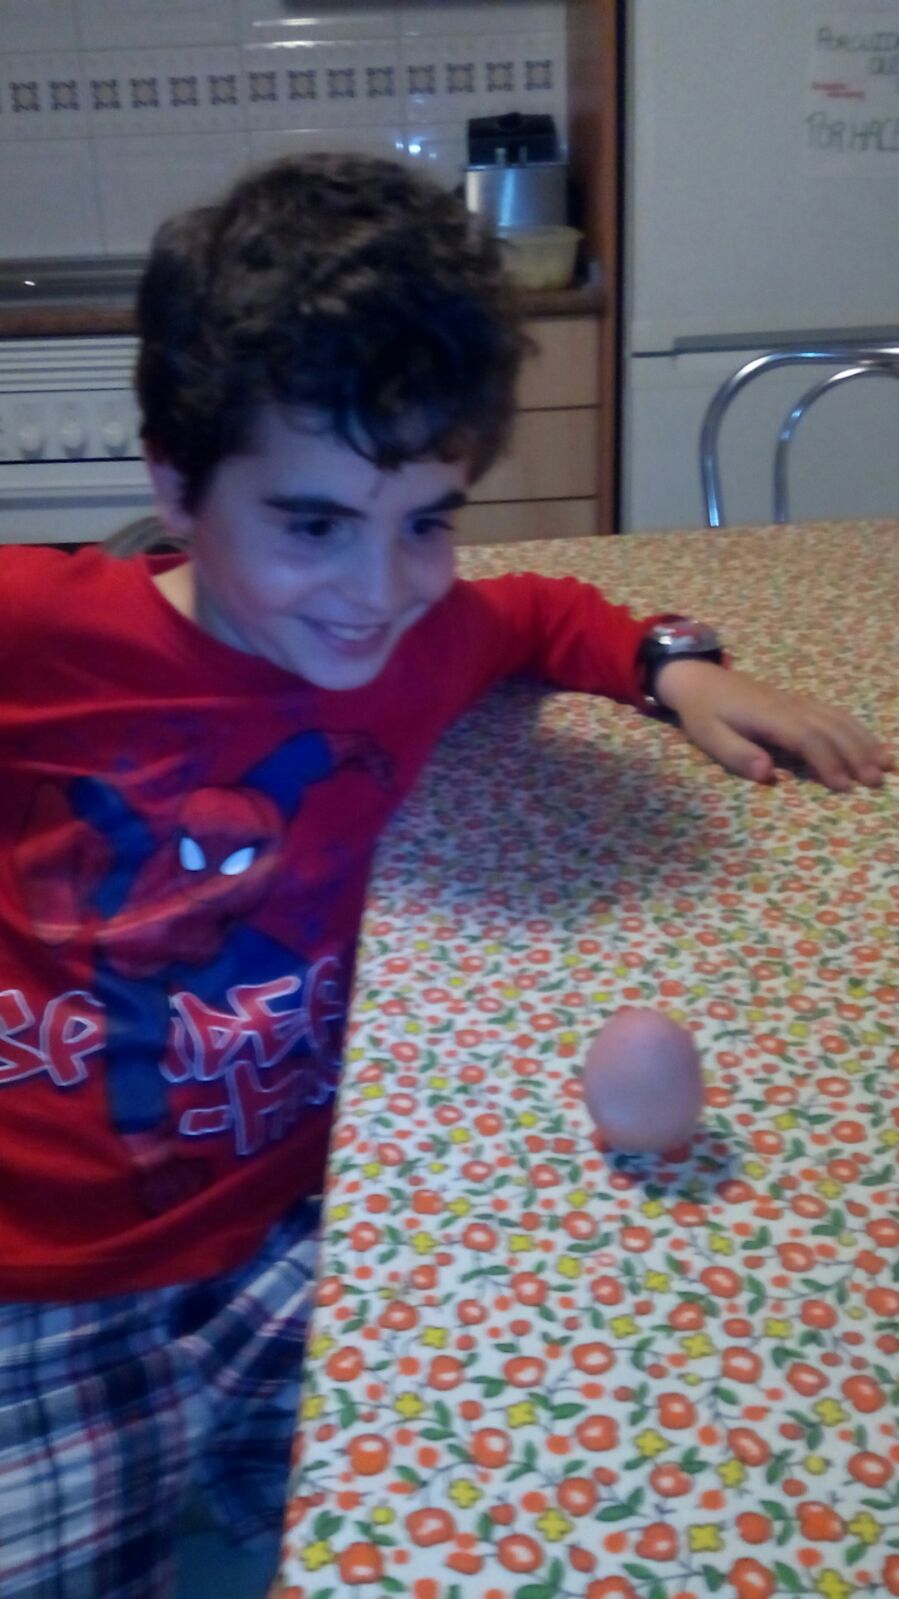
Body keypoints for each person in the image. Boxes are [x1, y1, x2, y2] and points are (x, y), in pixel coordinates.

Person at [0, 154, 890, 1599]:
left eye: (427, 520)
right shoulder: (42, 633)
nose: (378, 591)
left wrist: (676, 667)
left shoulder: (416, 640)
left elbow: (537, 612)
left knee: (528, 1502)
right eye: (312, 523)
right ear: (174, 483)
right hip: (37, 1293)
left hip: (307, 1233)